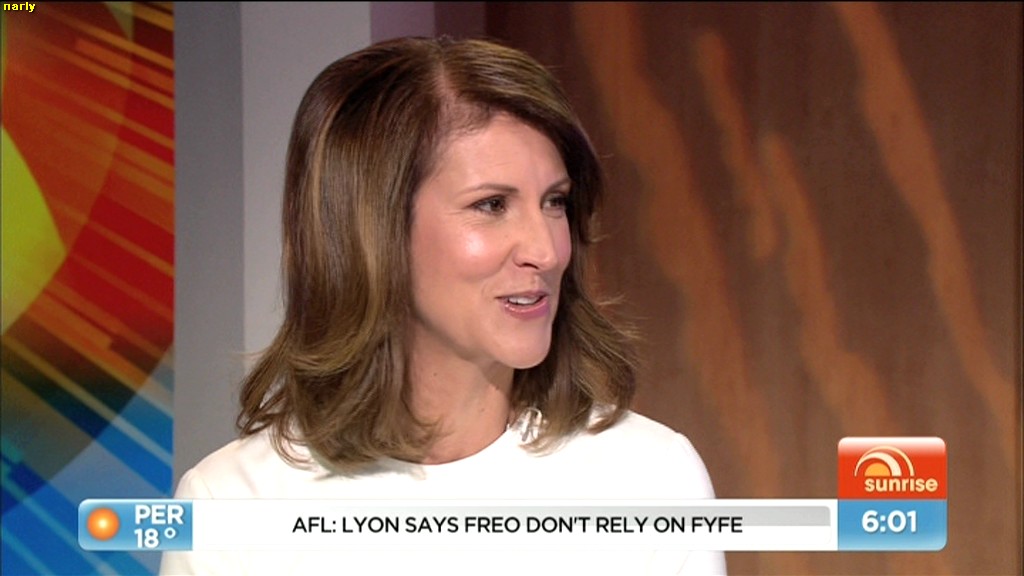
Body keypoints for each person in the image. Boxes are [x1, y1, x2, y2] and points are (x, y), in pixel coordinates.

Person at [161, 36, 725, 575]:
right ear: (373, 231)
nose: (547, 250)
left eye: (554, 202)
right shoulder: (228, 505)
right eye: (492, 205)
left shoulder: (651, 479)